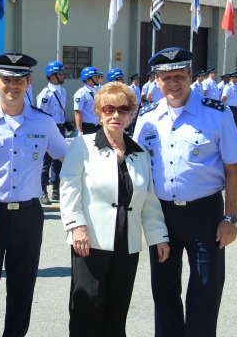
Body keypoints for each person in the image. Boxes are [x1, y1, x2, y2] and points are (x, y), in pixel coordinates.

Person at [133, 47, 237, 337]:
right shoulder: (147, 118)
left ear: (189, 76)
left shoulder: (217, 114)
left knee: (206, 291)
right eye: (165, 77)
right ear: (156, 80)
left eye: (179, 76)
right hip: (162, 215)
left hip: (205, 214)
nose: (173, 83)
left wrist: (230, 219)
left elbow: (233, 170)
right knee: (164, 291)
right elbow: (136, 169)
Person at [0, 52, 68, 337]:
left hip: (28, 216)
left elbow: (66, 159)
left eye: (19, 80)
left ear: (28, 82)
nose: (13, 85)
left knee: (22, 290)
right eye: (6, 79)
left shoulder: (43, 122)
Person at [60, 82, 170, 337]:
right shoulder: (83, 146)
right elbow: (69, 188)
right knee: (87, 310)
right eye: (109, 109)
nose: (116, 115)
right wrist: (77, 227)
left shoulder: (139, 153)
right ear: (99, 113)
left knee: (117, 311)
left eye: (123, 109)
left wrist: (159, 237)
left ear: (132, 115)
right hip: (90, 242)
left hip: (127, 244)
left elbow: (149, 201)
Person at [36, 61, 68, 205]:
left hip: (60, 128)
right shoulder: (45, 94)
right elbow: (40, 114)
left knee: (59, 161)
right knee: (45, 162)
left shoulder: (63, 91)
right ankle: (43, 191)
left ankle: (56, 189)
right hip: (48, 129)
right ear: (51, 75)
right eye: (60, 73)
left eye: (62, 73)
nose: (63, 76)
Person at [74, 66, 100, 135]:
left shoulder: (97, 91)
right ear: (88, 78)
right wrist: (80, 132)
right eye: (95, 76)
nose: (97, 78)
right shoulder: (81, 93)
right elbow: (77, 113)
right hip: (86, 127)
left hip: (97, 126)